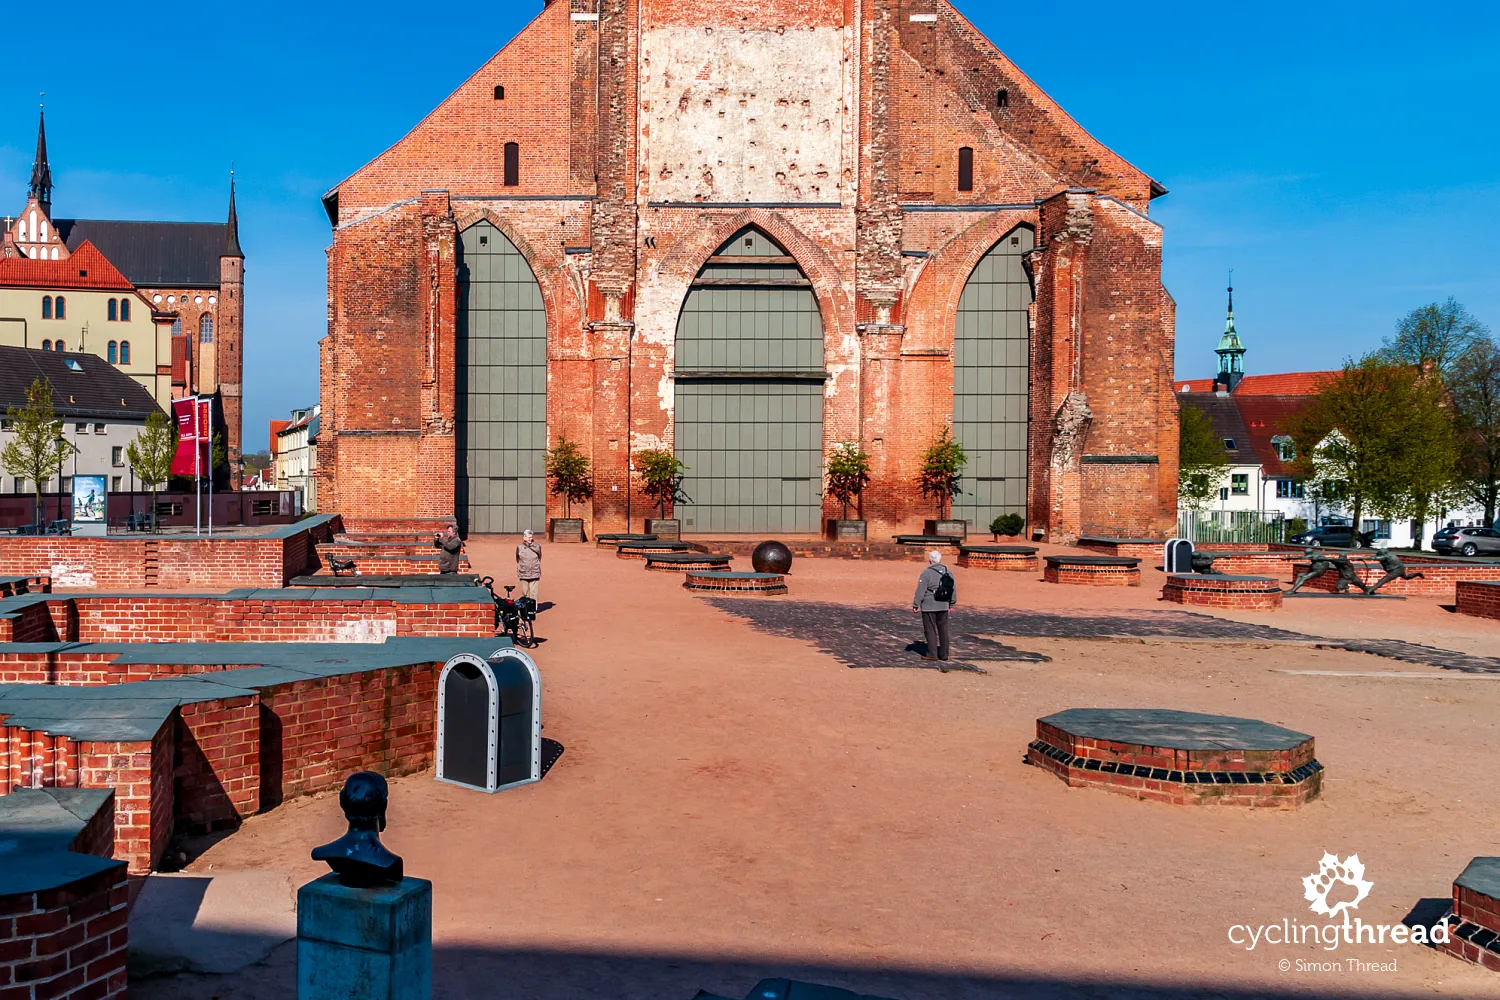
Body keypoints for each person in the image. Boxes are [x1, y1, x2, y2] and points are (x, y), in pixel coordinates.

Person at [911, 549, 956, 662]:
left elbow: (921, 590)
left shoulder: (926, 573)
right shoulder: (948, 572)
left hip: (929, 605)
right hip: (944, 604)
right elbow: (953, 589)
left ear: (930, 560)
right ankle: (944, 654)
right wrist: (951, 603)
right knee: (943, 629)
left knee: (930, 629)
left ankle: (932, 653)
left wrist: (916, 604)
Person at [516, 529, 542, 601]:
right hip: (524, 573)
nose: (530, 539)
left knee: (534, 593)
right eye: (528, 537)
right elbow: (518, 559)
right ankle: (526, 609)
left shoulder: (537, 547)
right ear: (524, 537)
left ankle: (533, 610)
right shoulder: (519, 547)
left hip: (534, 573)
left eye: (531, 537)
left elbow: (539, 558)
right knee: (525, 593)